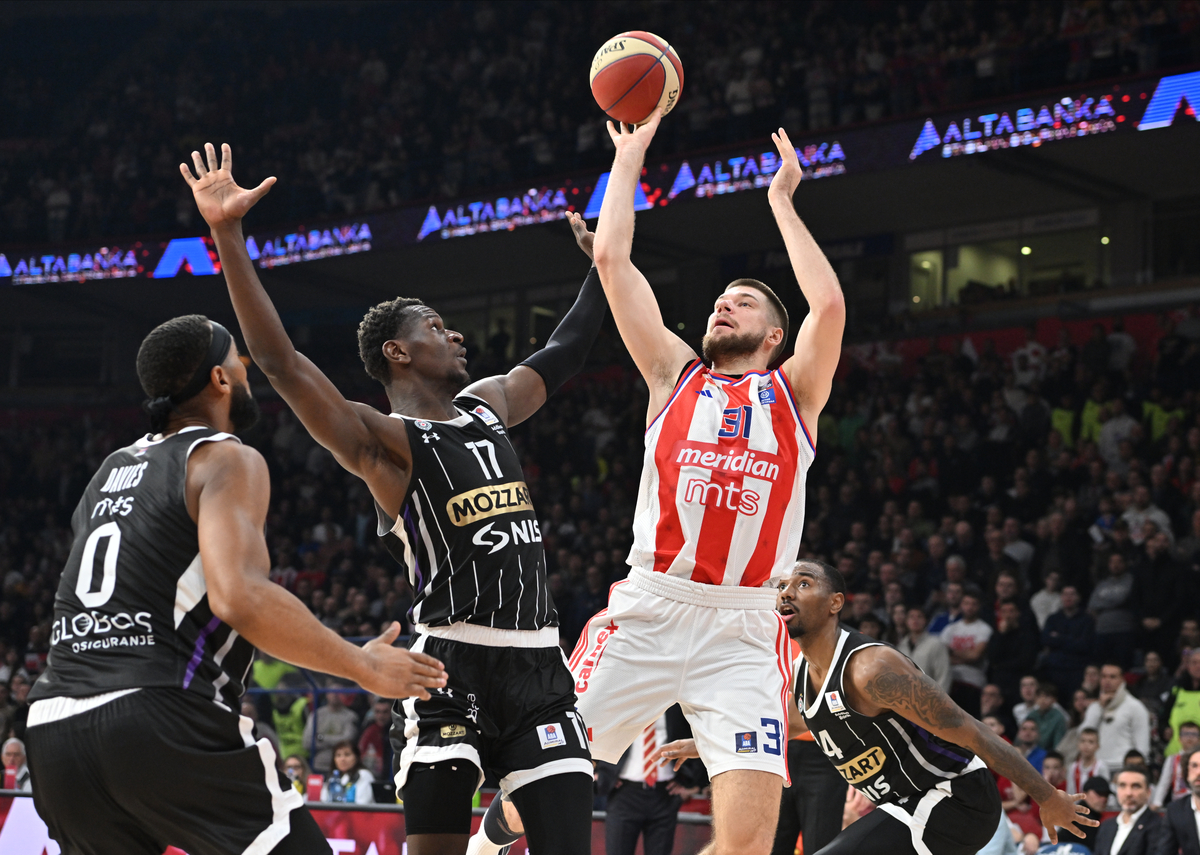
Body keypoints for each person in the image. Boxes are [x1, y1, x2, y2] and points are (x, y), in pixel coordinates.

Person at [183, 144, 603, 855]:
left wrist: (604, 270)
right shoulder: (384, 442)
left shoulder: (487, 406)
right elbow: (281, 364)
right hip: (447, 666)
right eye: (435, 327)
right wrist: (227, 234)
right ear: (398, 355)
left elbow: (565, 349)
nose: (455, 332)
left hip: (540, 665)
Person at [24, 314, 446, 855]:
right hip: (158, 712)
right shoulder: (223, 456)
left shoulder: (109, 469)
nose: (245, 371)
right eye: (237, 363)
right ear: (220, 381)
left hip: (54, 725)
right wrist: (360, 665)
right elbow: (238, 596)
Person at [564, 115, 845, 855]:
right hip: (653, 602)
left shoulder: (796, 395)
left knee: (749, 845)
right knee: (544, 777)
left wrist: (783, 202)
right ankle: (489, 841)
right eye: (720, 299)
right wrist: (628, 157)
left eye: (743, 301)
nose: (724, 304)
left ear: (774, 336)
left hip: (747, 627)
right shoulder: (673, 373)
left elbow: (832, 307)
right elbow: (616, 264)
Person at [660, 560, 1097, 855]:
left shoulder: (871, 669)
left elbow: (973, 730)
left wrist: (1047, 796)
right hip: (903, 807)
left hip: (953, 798)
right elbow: (780, 725)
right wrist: (706, 743)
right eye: (781, 586)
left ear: (836, 604)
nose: (786, 593)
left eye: (803, 583)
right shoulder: (802, 675)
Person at [772, 594, 849, 855]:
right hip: (776, 751)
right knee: (770, 844)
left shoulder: (847, 645)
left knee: (820, 846)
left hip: (825, 755)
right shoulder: (765, 641)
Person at [596, 708, 705, 855]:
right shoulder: (624, 699)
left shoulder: (675, 703)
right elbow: (598, 731)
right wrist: (601, 771)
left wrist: (693, 783)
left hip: (665, 793)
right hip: (624, 793)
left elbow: (698, 734)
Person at [1083, 663, 1152, 771]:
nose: (1107, 681)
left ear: (1122, 680)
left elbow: (1142, 746)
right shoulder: (1095, 708)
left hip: (1122, 768)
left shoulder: (1135, 707)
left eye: (1112, 677)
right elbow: (1084, 736)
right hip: (1097, 768)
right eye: (1104, 676)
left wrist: (1137, 770)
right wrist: (1100, 708)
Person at [941, 590, 993, 717]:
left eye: (973, 604)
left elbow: (975, 656)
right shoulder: (950, 629)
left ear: (979, 606)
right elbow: (942, 656)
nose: (969, 607)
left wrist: (952, 651)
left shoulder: (984, 629)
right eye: (966, 603)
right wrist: (965, 656)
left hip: (973, 682)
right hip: (951, 681)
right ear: (961, 605)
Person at [1092, 766, 1162, 855]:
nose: (1128, 793)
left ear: (1148, 792)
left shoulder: (1158, 826)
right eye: (1122, 785)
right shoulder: (1107, 826)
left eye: (1136, 786)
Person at [898, 606, 952, 692]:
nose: (915, 620)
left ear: (925, 620)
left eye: (919, 617)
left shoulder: (936, 644)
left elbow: (943, 676)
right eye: (911, 617)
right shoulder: (901, 646)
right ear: (906, 621)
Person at [1157, 749, 1200, 855]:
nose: (1199, 772)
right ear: (1186, 772)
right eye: (1194, 766)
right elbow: (1165, 851)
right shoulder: (1175, 810)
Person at [1154, 721, 1200, 808]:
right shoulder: (1172, 759)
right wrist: (1157, 802)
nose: (1189, 737)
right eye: (1186, 734)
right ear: (1179, 738)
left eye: (1194, 734)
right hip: (1179, 805)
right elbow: (1164, 784)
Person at [321, 740, 376, 805]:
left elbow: (362, 803)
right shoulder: (333, 777)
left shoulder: (364, 774)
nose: (342, 759)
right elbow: (323, 800)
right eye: (338, 755)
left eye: (347, 755)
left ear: (356, 757)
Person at [1066, 728, 1111, 794]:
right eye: (1083, 741)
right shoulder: (1073, 767)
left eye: (1091, 742)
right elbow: (1070, 792)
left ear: (1097, 746)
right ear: (1078, 744)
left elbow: (1104, 791)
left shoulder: (1101, 767)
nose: (1086, 745)